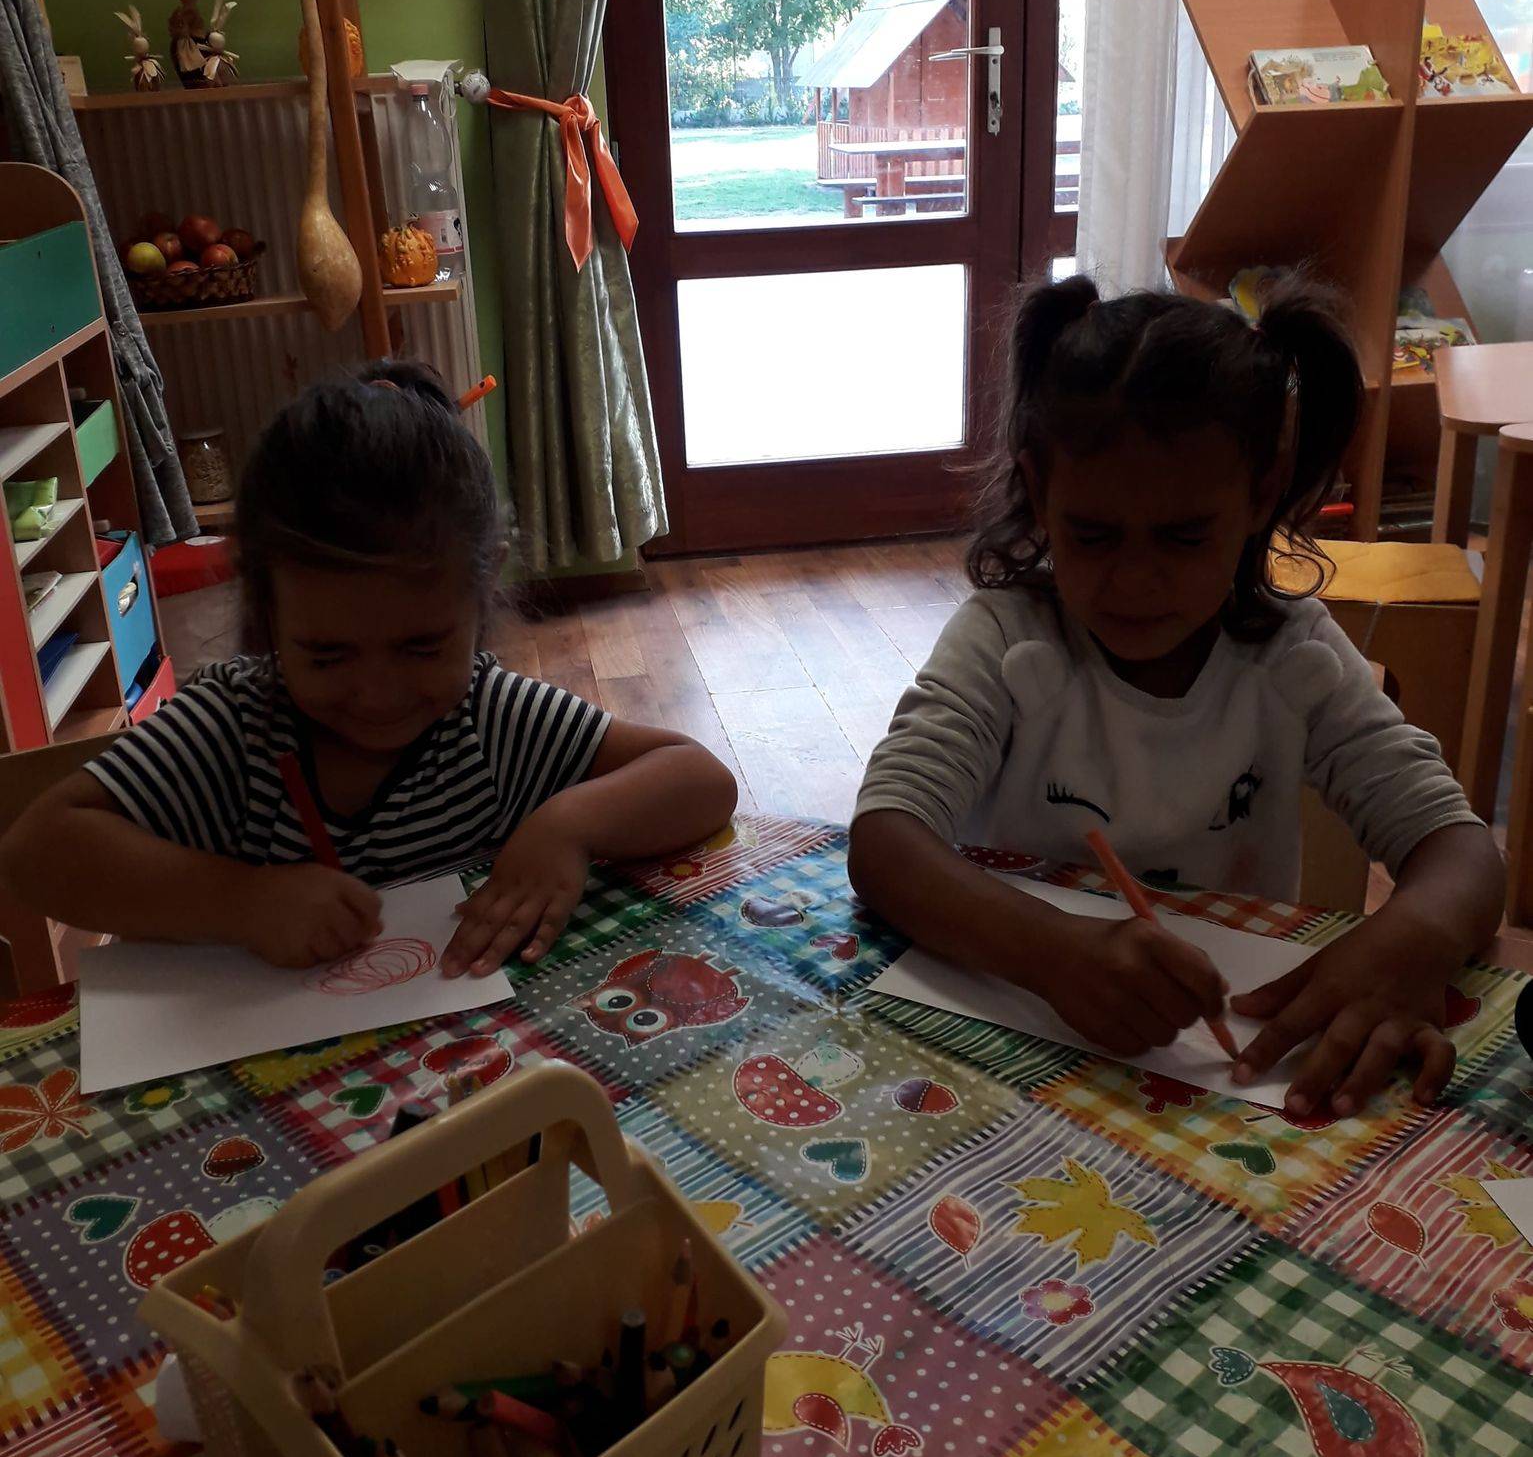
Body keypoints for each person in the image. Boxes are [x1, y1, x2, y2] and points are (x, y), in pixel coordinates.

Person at [849, 276, 1503, 1116]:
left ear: (1261, 494)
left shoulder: (1292, 659)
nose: (1133, 580)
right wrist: (1053, 955)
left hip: (1217, 1088)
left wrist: (1411, 941)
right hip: (1013, 1050)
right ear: (1039, 492)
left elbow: (1462, 852)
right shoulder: (1007, 642)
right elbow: (885, 841)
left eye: (1183, 537)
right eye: (1092, 535)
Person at [0, 362, 737, 978]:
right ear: (266, 611)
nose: (379, 695)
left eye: (421, 648)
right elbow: (35, 853)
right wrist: (241, 901)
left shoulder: (489, 719)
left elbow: (699, 778)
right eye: (327, 655)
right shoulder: (234, 730)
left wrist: (568, 826)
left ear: (483, 587)